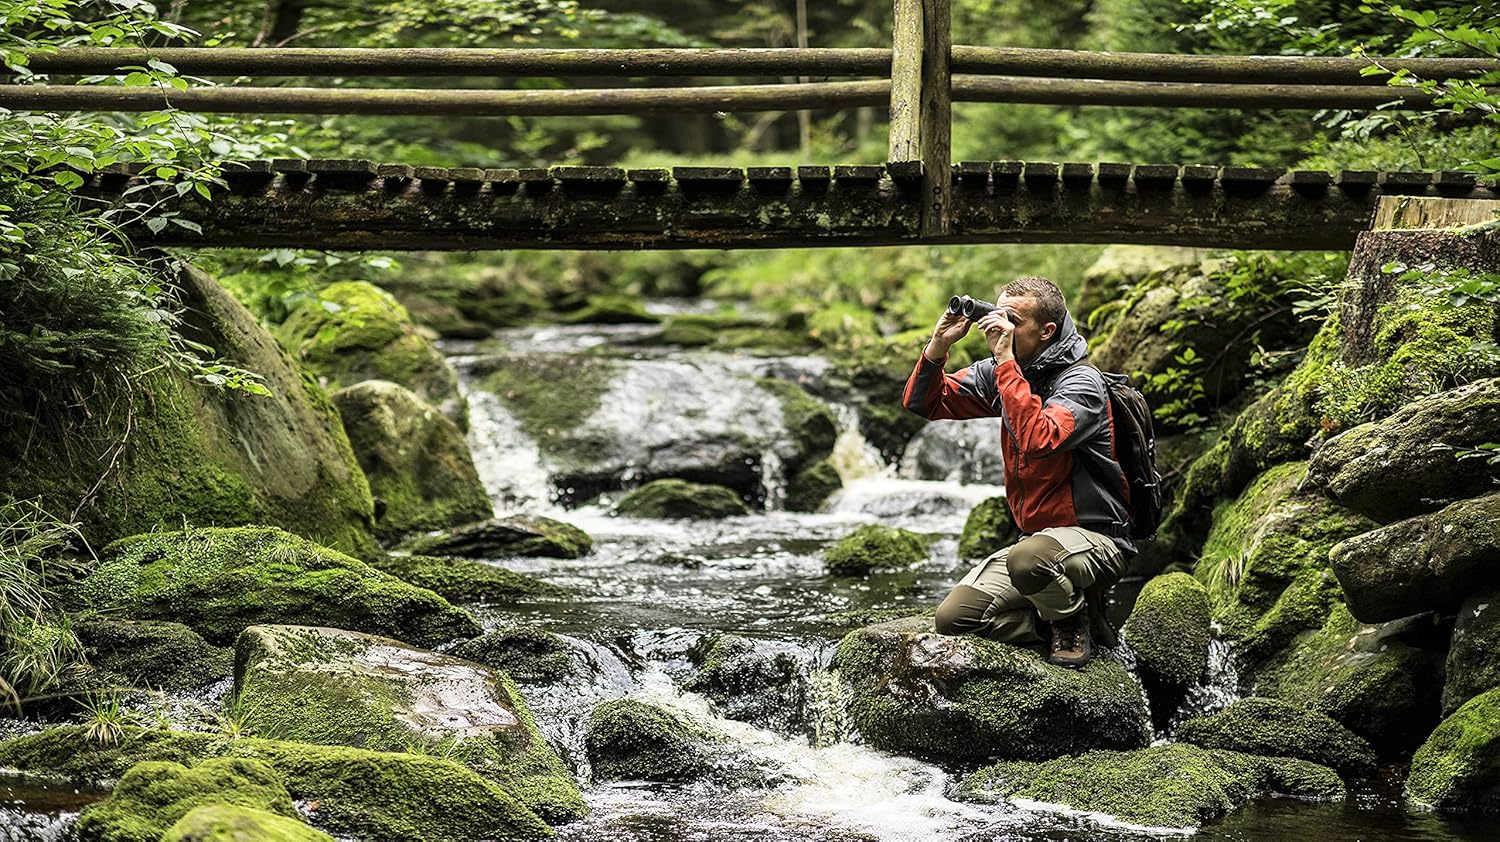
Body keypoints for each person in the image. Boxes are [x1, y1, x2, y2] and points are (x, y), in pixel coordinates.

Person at [901, 276, 1134, 668]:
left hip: (1097, 539)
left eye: (1013, 320)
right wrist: (938, 345)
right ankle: (1057, 620)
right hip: (1038, 545)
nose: (1000, 327)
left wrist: (1006, 364)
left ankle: (1070, 620)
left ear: (1047, 331)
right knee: (954, 619)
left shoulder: (1081, 384)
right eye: (997, 315)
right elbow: (924, 403)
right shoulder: (1002, 373)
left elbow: (1038, 439)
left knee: (1028, 560)